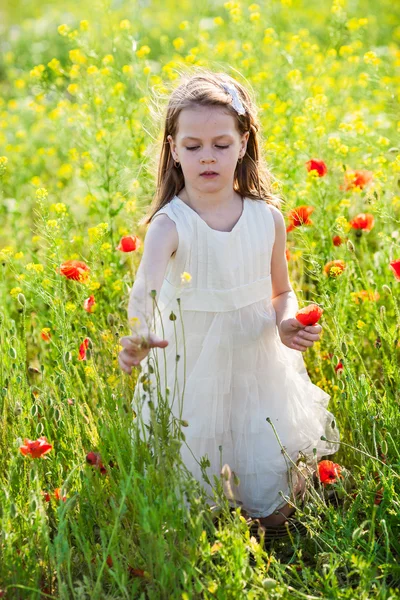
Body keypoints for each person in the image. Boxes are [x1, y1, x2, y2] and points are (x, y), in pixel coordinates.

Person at [118, 70, 340, 527]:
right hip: (194, 361)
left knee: (268, 470)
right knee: (198, 477)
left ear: (243, 143)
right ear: (174, 150)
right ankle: (219, 522)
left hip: (257, 360)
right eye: (193, 146)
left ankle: (270, 510)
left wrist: (286, 321)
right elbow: (145, 288)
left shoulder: (267, 218)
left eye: (221, 144)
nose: (207, 157)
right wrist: (141, 329)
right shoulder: (171, 223)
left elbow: (281, 289)